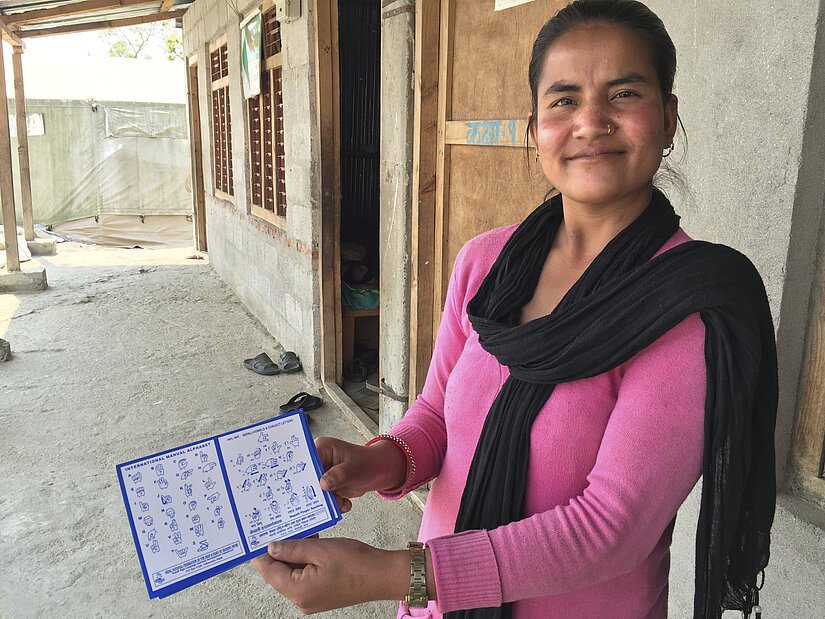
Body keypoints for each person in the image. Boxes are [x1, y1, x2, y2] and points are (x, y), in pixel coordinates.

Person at [252, 1, 777, 617]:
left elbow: (611, 530)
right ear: (534, 131)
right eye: (563, 100)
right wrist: (379, 461)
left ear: (667, 118)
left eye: (624, 93)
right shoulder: (486, 263)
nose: (590, 122)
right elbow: (438, 415)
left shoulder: (690, 306)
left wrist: (394, 574)